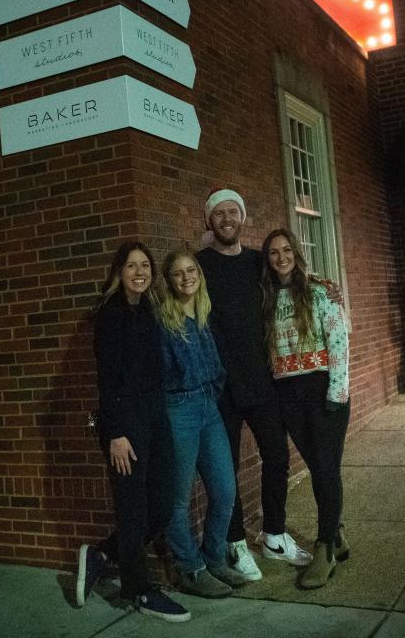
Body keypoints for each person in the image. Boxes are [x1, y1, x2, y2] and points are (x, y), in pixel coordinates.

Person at [196, 189, 312, 580]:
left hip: (263, 381)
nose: (227, 218)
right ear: (209, 220)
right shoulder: (199, 265)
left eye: (233, 212)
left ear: (242, 218)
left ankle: (274, 535)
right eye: (219, 213)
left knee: (277, 457)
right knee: (224, 470)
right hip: (221, 387)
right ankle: (235, 545)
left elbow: (291, 286)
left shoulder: (258, 262)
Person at [77, 241, 190, 623]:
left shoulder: (149, 312)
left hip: (155, 420)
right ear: (118, 273)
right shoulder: (111, 316)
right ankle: (138, 591)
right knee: (132, 509)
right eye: (131, 266)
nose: (140, 272)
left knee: (162, 502)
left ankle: (104, 552)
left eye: (145, 266)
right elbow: (107, 381)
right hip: (125, 426)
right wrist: (117, 434)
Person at [261, 228, 350, 589]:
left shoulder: (318, 290)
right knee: (318, 468)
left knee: (326, 469)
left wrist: (337, 392)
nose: (281, 257)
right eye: (273, 253)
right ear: (267, 260)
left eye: (286, 250)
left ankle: (325, 547)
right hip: (288, 394)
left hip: (322, 389)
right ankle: (338, 533)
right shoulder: (264, 298)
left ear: (296, 253)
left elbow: (338, 339)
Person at [157, 250, 248, 598]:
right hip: (178, 408)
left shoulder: (204, 313)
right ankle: (189, 568)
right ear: (169, 280)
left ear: (199, 274)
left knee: (225, 490)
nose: (185, 278)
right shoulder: (164, 321)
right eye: (177, 273)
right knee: (177, 497)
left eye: (190, 270)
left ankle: (214, 558)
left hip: (209, 407)